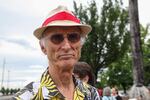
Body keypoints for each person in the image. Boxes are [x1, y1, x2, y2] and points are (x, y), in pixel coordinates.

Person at [12, 5, 100, 100]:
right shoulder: (25, 98)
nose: (66, 46)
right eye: (57, 38)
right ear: (43, 47)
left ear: (80, 45)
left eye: (73, 37)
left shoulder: (91, 93)